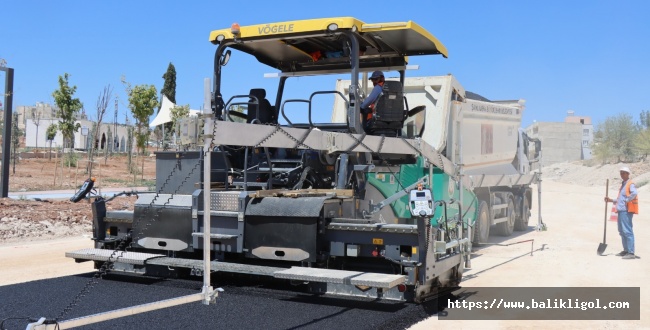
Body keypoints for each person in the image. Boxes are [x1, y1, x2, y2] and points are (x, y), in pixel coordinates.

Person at [604, 167, 639, 259]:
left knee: (627, 231)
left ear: (628, 174)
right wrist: (611, 200)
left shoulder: (630, 184)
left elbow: (634, 193)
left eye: (624, 173)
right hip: (621, 210)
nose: (622, 175)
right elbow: (621, 199)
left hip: (626, 211)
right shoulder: (623, 184)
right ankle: (626, 250)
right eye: (621, 173)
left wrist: (627, 200)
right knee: (622, 231)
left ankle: (631, 253)